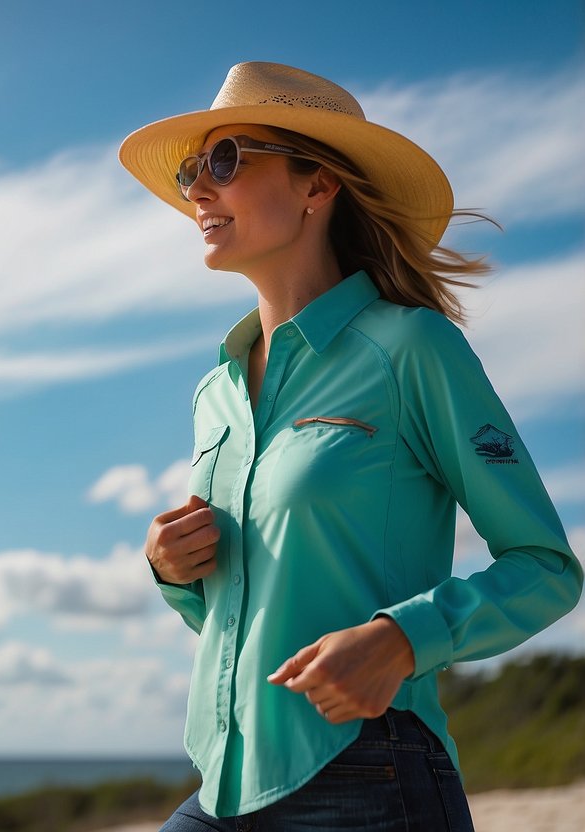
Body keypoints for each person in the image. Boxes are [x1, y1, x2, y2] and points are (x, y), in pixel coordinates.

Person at [119, 62, 582, 831]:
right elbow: (248, 614)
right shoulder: (216, 393)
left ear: (316, 186)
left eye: (225, 162)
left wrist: (401, 639)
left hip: (370, 775)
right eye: (190, 170)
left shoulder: (410, 348)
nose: (198, 190)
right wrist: (172, 572)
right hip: (223, 781)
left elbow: (545, 570)